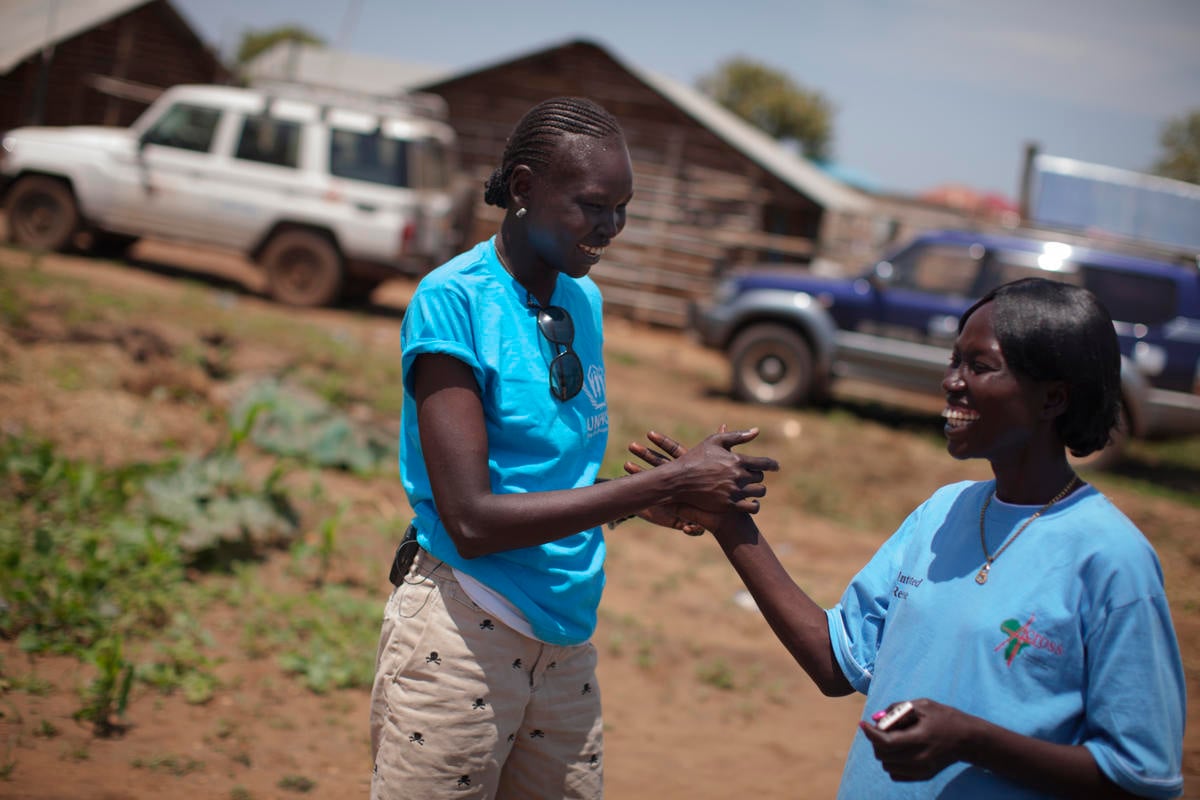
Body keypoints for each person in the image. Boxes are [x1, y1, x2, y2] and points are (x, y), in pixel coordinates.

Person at [627, 278, 1185, 799]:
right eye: (953, 362)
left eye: (979, 366)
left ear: (1052, 398)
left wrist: (973, 740)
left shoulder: (1112, 559)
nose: (951, 382)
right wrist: (728, 521)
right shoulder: (943, 513)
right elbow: (834, 663)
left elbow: (1141, 775)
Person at [368, 96, 778, 800]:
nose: (611, 227)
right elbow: (472, 519)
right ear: (524, 189)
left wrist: (664, 498)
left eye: (623, 207)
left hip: (565, 639)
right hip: (466, 630)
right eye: (593, 205)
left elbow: (552, 481)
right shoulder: (455, 301)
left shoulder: (581, 302)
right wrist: (654, 485)